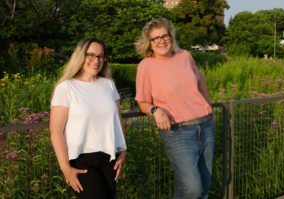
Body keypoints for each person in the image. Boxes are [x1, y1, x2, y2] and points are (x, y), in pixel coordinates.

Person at [135, 18, 215, 199]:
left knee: (204, 186)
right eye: (155, 38)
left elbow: (200, 80)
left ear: (171, 36)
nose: (161, 41)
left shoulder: (185, 56)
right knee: (192, 187)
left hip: (205, 125)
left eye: (165, 35)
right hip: (178, 132)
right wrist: (156, 111)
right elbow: (142, 102)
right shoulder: (146, 66)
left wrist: (209, 109)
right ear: (149, 43)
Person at [50, 38, 127, 199]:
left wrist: (123, 151)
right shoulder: (65, 88)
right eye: (90, 55)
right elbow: (56, 132)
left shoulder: (109, 85)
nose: (96, 60)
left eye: (100, 56)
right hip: (81, 162)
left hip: (109, 159)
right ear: (80, 56)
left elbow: (118, 120)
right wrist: (66, 168)